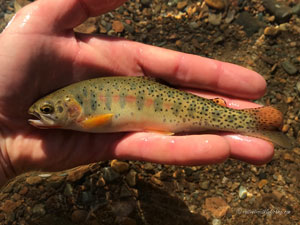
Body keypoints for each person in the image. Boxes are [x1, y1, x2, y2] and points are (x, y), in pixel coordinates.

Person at [0, 0, 273, 187]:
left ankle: (252, 122)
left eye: (47, 110)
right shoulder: (73, 108)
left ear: (70, 105)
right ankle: (252, 123)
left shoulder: (81, 116)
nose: (39, 114)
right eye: (47, 111)